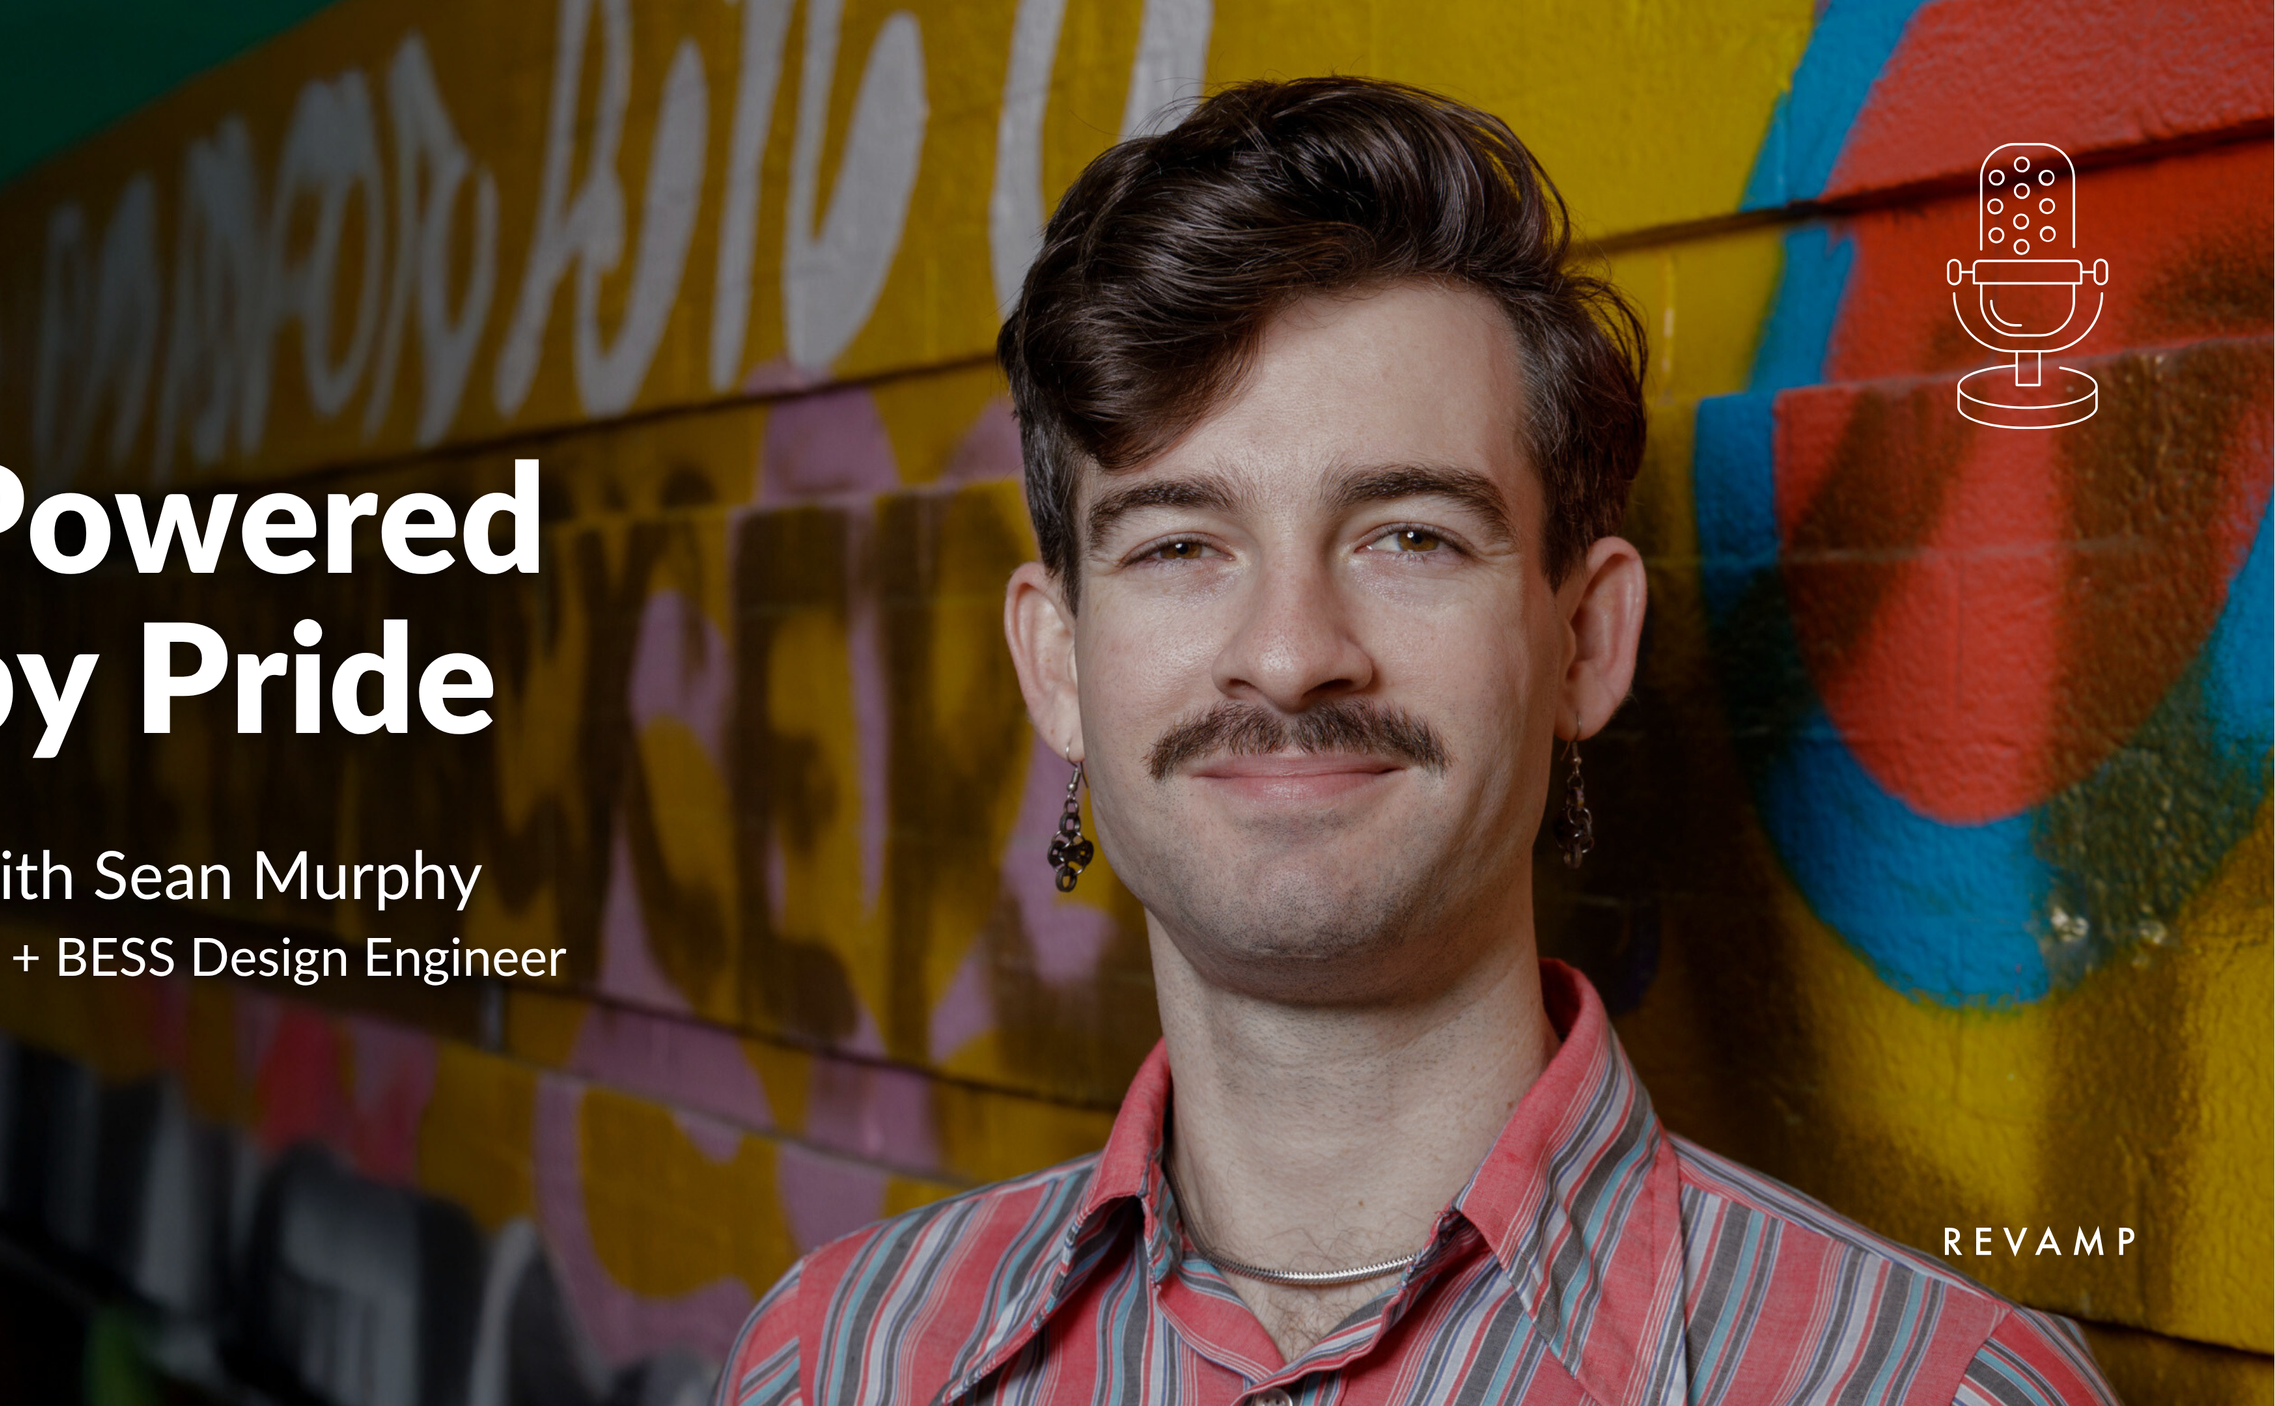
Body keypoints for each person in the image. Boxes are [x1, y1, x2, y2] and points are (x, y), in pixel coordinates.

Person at [713, 78, 2118, 1406]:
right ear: (1057, 662)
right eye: (1182, 542)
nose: (1290, 648)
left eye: (1408, 536)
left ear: (1585, 641)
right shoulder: (840, 1362)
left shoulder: (1935, 1388)